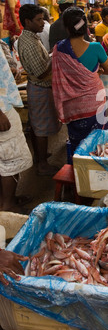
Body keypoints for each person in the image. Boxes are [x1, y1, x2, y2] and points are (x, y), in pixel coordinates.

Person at [52, 7, 108, 156]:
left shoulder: (59, 49)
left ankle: (78, 170)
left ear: (67, 28)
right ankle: (96, 169)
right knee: (98, 141)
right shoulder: (95, 48)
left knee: (77, 142)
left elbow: (60, 76)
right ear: (86, 27)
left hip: (73, 106)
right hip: (95, 103)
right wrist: (95, 72)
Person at [17, 4, 60, 176]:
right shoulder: (29, 43)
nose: (43, 23)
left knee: (37, 126)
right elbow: (42, 72)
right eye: (39, 20)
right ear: (27, 22)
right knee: (41, 128)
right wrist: (54, 55)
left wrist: (48, 55)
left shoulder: (31, 38)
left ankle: (39, 156)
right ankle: (42, 163)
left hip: (39, 88)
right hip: (40, 88)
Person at [0, 44, 33, 211]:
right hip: (1, 109)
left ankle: (6, 199)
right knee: (10, 159)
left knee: (4, 159)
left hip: (3, 102)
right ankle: (8, 205)